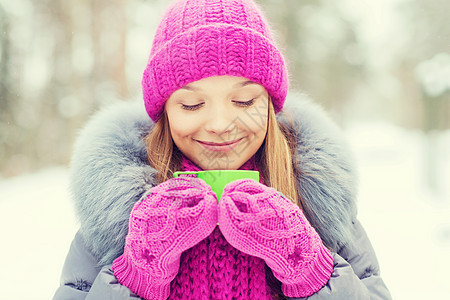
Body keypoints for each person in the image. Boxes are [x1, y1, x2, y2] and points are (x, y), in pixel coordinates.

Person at [53, 0, 392, 299]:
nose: (219, 123)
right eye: (191, 104)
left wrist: (311, 271)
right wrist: (136, 273)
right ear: (165, 112)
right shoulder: (114, 213)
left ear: (270, 106)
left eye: (244, 101)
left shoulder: (321, 203)